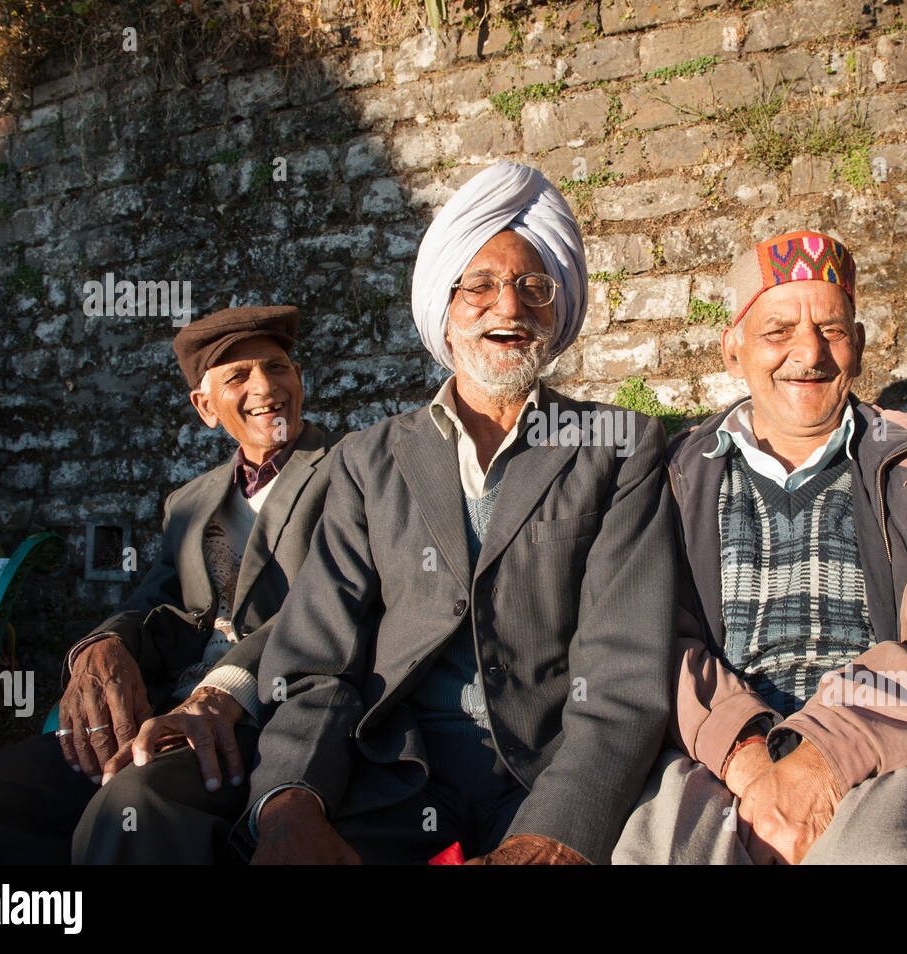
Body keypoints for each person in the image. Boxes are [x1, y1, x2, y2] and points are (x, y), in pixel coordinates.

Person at [242, 161, 677, 865]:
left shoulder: (618, 450)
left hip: (547, 782)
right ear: (444, 309)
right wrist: (291, 799)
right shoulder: (368, 460)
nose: (508, 308)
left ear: (556, 312)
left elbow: (624, 675)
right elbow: (316, 662)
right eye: (479, 285)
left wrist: (554, 835)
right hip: (391, 779)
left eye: (533, 288)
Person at [614, 230, 907, 864]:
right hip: (722, 753)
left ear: (862, 345)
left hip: (897, 748)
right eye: (777, 332)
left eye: (833, 329)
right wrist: (750, 760)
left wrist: (822, 757)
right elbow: (657, 639)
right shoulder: (675, 475)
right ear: (732, 350)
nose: (809, 353)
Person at [0, 305, 341, 864]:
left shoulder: (351, 470)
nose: (265, 387)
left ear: (299, 378)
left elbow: (329, 601)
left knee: (132, 803)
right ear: (205, 407)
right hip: (165, 710)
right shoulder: (189, 502)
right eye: (238, 376)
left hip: (269, 711)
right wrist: (103, 645)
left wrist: (221, 691)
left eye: (277, 367)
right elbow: (155, 603)